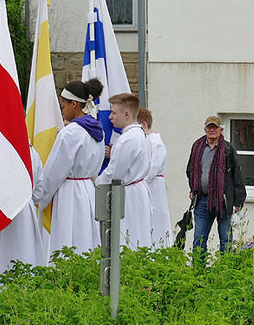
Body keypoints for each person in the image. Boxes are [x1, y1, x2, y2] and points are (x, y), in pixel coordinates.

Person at [33, 79, 106, 258]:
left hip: (70, 192)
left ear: (74, 104)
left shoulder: (70, 133)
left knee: (68, 237)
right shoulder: (98, 130)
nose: (62, 111)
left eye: (63, 106)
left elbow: (55, 171)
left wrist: (40, 198)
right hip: (88, 189)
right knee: (87, 236)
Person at [97, 93, 153, 249]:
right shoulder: (139, 134)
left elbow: (115, 174)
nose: (110, 117)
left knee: (129, 236)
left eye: (114, 113)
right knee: (138, 235)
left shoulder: (127, 139)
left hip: (129, 195)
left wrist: (97, 181)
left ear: (127, 114)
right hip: (136, 191)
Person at [186, 115, 246, 258]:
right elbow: (190, 170)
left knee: (226, 240)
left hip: (223, 201)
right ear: (205, 129)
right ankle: (198, 273)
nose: (212, 130)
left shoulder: (228, 149)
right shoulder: (197, 146)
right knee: (199, 239)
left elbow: (237, 174)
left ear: (221, 130)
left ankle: (225, 273)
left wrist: (238, 201)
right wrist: (193, 189)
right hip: (201, 201)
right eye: (209, 127)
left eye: (215, 127)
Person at [0, 145, 48, 277]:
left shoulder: (2, 148)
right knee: (25, 251)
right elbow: (39, 186)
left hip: (4, 207)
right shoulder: (32, 151)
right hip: (26, 206)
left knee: (5, 256)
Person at [139, 108, 171, 248]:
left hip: (153, 186)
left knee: (157, 218)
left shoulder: (154, 142)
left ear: (144, 125)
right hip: (149, 184)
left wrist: (140, 182)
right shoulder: (146, 141)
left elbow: (153, 168)